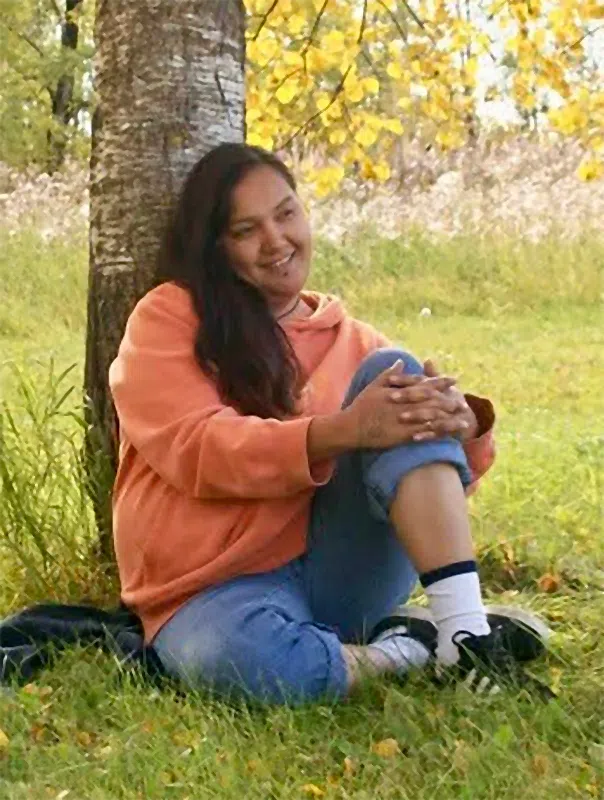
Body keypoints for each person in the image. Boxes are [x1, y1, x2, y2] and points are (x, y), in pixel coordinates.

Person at [108, 142, 551, 705]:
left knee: (396, 373)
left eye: (286, 213)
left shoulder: (357, 342)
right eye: (246, 230)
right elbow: (197, 448)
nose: (276, 240)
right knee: (248, 665)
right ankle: (409, 647)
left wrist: (461, 432)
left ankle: (467, 636)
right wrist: (346, 430)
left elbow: (418, 489)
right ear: (215, 247)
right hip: (212, 589)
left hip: (339, 572)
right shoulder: (168, 317)